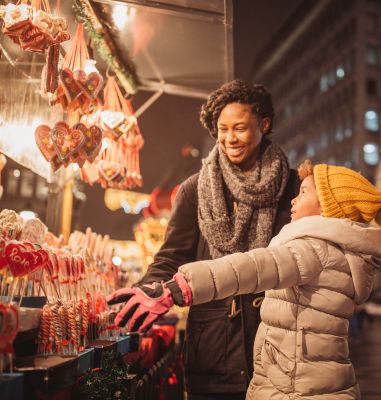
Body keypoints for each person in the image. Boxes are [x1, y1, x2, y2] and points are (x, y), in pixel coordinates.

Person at [109, 161, 381, 399]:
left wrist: (181, 287)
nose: (294, 199)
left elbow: (251, 267)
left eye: (304, 192)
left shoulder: (313, 249)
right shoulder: (332, 250)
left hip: (295, 390)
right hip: (307, 383)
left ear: (330, 206)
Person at [107, 80, 300, 399]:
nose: (229, 138)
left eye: (239, 128)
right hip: (214, 344)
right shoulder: (195, 190)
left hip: (277, 339)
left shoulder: (293, 188)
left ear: (264, 125)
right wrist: (150, 288)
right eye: (223, 129)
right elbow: (172, 256)